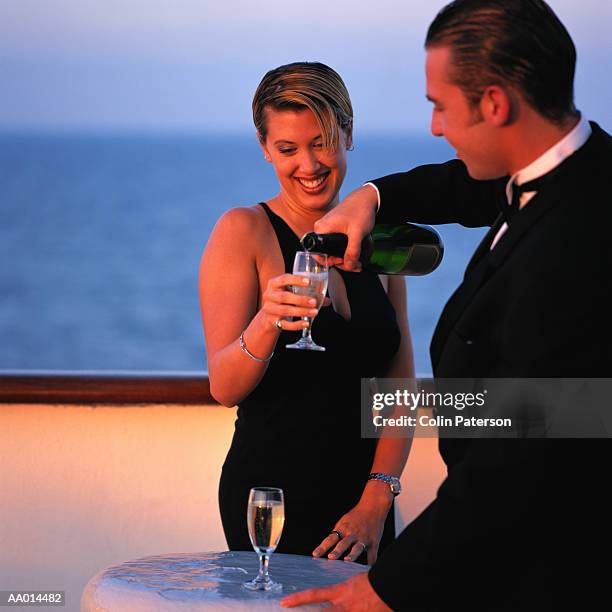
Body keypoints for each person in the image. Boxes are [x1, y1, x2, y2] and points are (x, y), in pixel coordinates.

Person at [281, 1, 611, 609]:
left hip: (557, 568)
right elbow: (461, 186)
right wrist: (374, 195)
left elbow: (525, 450)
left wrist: (388, 587)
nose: (435, 126)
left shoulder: (578, 238)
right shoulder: (577, 174)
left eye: (439, 106)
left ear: (494, 104)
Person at [199, 62, 415, 565]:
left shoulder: (379, 237)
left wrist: (377, 500)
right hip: (271, 500)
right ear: (264, 147)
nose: (309, 165)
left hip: (364, 508)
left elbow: (398, 389)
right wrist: (266, 320)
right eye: (287, 149)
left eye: (321, 142)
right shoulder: (243, 231)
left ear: (348, 133)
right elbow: (223, 387)